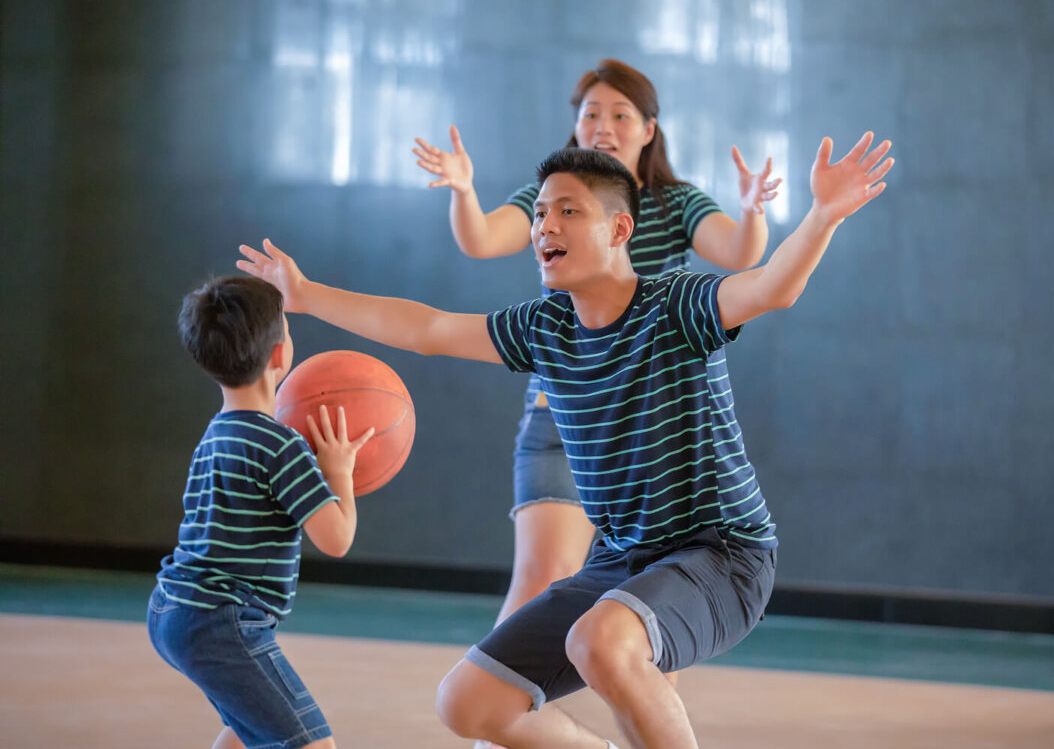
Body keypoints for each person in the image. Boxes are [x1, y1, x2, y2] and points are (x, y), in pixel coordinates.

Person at [237, 132, 893, 749]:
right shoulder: (545, 327)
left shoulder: (677, 307)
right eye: (540, 212)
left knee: (601, 643)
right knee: (467, 705)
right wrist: (306, 294)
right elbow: (429, 328)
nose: (543, 225)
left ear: (618, 228)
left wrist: (823, 216)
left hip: (722, 554)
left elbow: (771, 287)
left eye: (567, 211)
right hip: (621, 560)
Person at [412, 59, 781, 634]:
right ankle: (497, 717)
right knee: (541, 574)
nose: (602, 125)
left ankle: (644, 717)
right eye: (590, 113)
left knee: (655, 600)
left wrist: (754, 210)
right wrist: (462, 190)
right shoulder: (550, 194)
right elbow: (480, 239)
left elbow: (739, 254)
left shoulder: (676, 202)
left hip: (649, 420)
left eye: (619, 113)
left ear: (649, 130)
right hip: (563, 416)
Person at [148, 275, 375, 749]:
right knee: (313, 745)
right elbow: (337, 539)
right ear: (279, 356)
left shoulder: (217, 433)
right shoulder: (281, 444)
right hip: (221, 621)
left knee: (244, 732)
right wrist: (339, 472)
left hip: (174, 610)